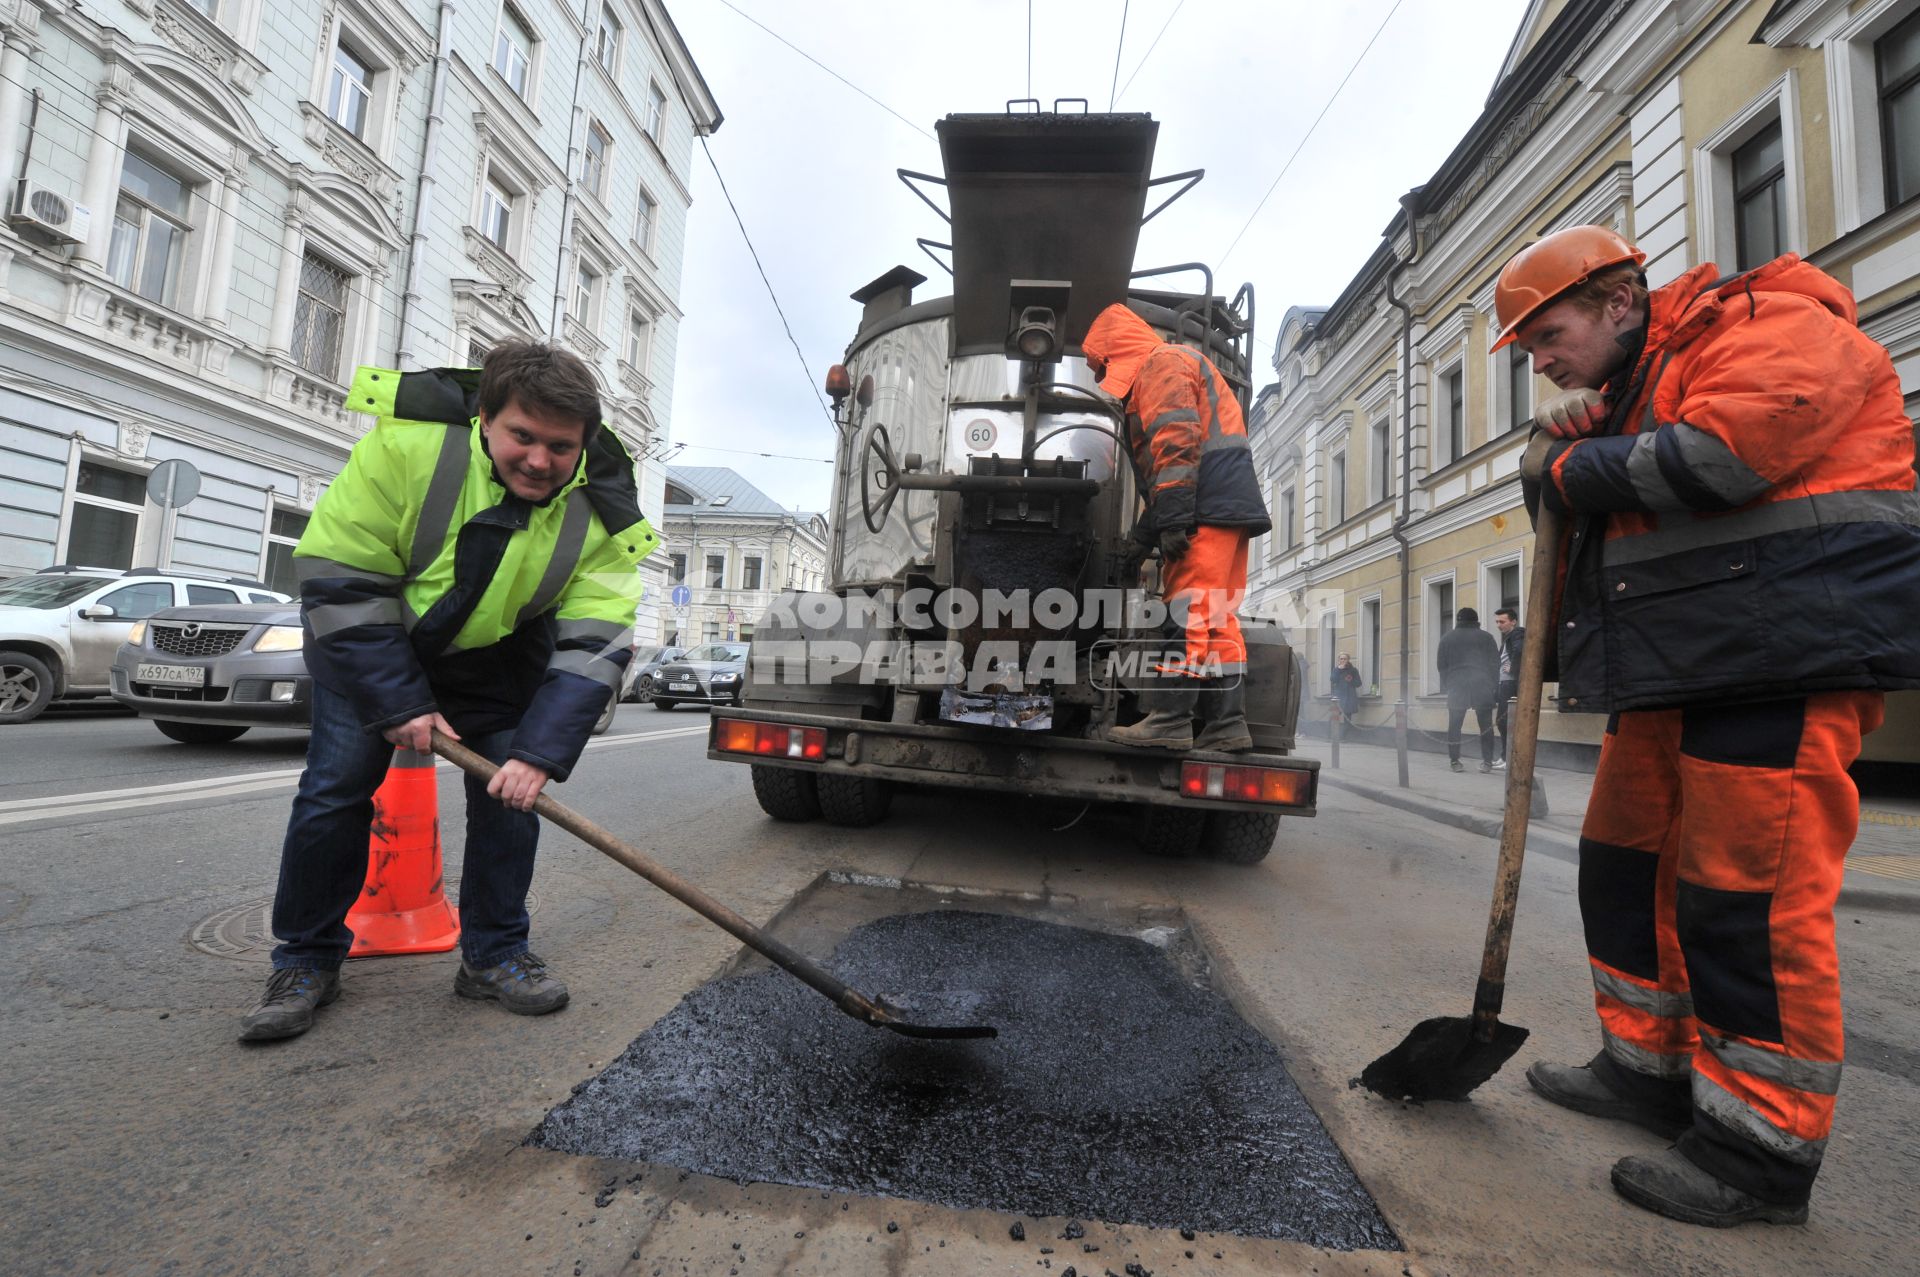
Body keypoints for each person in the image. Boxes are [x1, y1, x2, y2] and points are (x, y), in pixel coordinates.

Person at [1498, 225, 1920, 1226]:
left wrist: (1568, 466)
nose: (1542, 361)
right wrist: (1574, 441)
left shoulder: (1773, 323)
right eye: (1530, 351)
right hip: (1680, 661)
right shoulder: (1643, 382)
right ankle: (1647, 1066)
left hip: (1781, 654)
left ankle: (1759, 1150)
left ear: (1620, 300)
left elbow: (1720, 459)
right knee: (1622, 863)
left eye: (1549, 335)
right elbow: (1602, 487)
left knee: (1748, 902)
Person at [239, 341, 656, 1043]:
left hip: (493, 658)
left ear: (583, 445)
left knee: (513, 794)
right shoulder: (408, 450)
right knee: (336, 787)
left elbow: (597, 641)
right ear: (486, 419)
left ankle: (494, 955)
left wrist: (540, 754)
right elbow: (339, 576)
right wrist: (398, 700)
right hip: (372, 640)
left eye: (560, 446)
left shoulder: (603, 510)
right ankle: (305, 959)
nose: (539, 460)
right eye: (522, 436)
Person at [1082, 302, 1271, 752]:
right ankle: (1227, 726)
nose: (1104, 377)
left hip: (1204, 509)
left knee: (1185, 615)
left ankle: (1170, 719)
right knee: (1217, 618)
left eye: (1103, 366)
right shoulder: (1177, 362)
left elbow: (1176, 448)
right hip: (1225, 510)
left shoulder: (1160, 365)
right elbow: (1174, 470)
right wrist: (1142, 539)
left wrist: (1175, 520)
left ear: (1116, 352)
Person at [1435, 607, 1499, 773]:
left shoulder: (1447, 638)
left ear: (1458, 620)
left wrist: (1449, 684)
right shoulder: (1487, 637)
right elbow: (1495, 664)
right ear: (1476, 620)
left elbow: (1441, 665)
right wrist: (1492, 685)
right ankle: (1487, 762)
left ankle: (1455, 761)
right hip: (1482, 684)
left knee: (1455, 725)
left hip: (1457, 685)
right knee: (1486, 726)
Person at [1491, 605, 1525, 768]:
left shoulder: (1517, 633)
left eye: (1502, 621)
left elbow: (1520, 651)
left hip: (1509, 683)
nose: (1499, 625)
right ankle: (1504, 756)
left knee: (1505, 722)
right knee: (1502, 721)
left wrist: (1512, 668)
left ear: (1513, 622)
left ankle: (1508, 759)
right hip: (1504, 683)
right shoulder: (1508, 637)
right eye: (1497, 622)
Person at [1330, 652, 1362, 726]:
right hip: (1339, 696)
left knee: (1348, 718)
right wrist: (1338, 670)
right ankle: (1332, 734)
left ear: (1348, 660)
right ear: (1339, 660)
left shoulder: (1353, 670)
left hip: (1349, 697)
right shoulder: (1336, 670)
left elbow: (1359, 683)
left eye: (1345, 659)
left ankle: (1346, 735)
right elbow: (1333, 680)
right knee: (1334, 716)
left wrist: (1351, 680)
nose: (1343, 660)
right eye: (1341, 659)